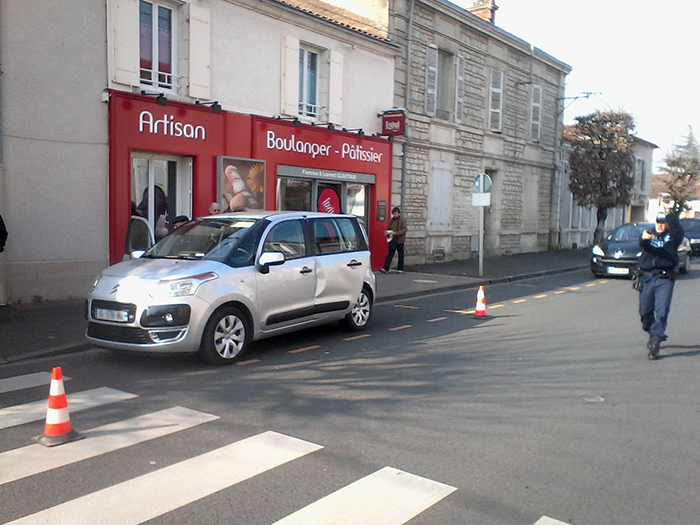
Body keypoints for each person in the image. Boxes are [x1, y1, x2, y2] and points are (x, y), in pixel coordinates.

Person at [637, 211, 684, 360]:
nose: (661, 225)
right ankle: (652, 330)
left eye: (664, 222)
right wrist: (644, 239)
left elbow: (679, 232)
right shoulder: (648, 234)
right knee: (645, 312)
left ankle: (655, 342)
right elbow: (645, 246)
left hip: (665, 278)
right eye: (659, 222)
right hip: (647, 277)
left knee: (662, 310)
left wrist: (671, 214)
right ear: (655, 222)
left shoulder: (672, 237)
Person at [379, 207, 407, 274]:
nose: (395, 214)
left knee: (400, 254)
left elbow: (404, 229)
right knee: (390, 254)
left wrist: (396, 233)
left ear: (399, 213)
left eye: (396, 213)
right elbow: (389, 228)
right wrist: (388, 233)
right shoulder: (391, 220)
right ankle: (385, 268)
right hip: (393, 240)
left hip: (400, 240)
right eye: (394, 213)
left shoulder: (402, 220)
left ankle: (400, 268)